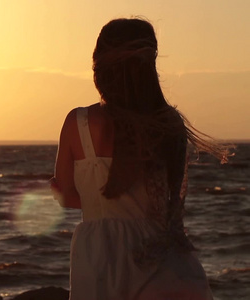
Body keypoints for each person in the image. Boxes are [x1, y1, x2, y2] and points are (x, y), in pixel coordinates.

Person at [51, 18, 230, 300]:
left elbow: (66, 195)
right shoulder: (167, 123)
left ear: (99, 67)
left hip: (103, 263)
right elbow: (168, 206)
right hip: (166, 263)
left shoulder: (80, 122)